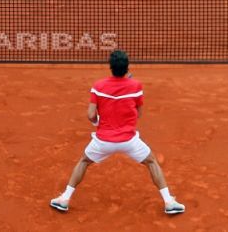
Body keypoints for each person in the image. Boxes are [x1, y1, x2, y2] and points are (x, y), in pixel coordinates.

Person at [49, 50, 185, 215]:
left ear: (110, 67)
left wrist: (98, 122)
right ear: (127, 67)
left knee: (84, 161)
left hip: (103, 141)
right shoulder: (136, 86)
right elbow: (138, 113)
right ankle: (169, 202)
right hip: (129, 141)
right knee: (151, 162)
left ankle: (64, 199)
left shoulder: (98, 86)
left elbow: (91, 115)